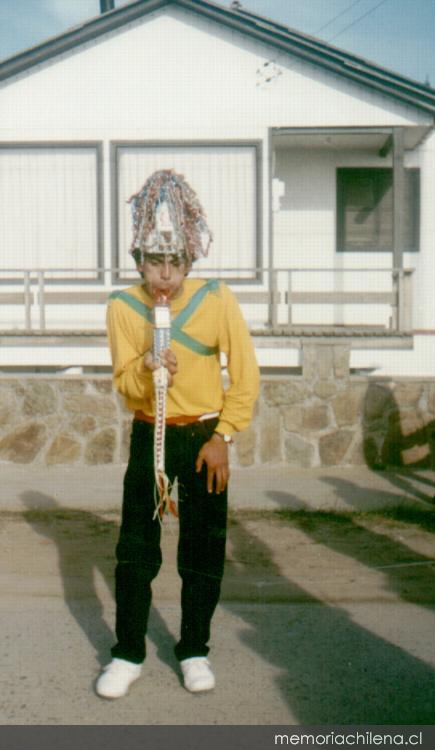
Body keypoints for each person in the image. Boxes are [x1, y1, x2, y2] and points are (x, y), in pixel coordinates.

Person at [96, 169, 259, 699]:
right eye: (153, 261)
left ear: (190, 260)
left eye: (175, 262)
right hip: (150, 434)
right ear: (137, 260)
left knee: (203, 549)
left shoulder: (216, 299)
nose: (164, 275)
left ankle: (193, 649)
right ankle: (127, 652)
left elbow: (247, 373)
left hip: (204, 437)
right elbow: (126, 387)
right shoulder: (123, 308)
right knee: (136, 550)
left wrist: (225, 436)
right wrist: (146, 366)